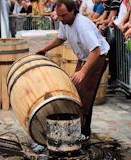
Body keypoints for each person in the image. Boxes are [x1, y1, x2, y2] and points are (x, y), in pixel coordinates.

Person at [36, 0, 110, 138]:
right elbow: (60, 38)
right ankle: (80, 128)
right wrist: (44, 50)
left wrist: (82, 71)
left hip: (97, 58)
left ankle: (83, 132)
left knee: (85, 95)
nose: (60, 18)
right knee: (76, 92)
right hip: (84, 58)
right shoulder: (65, 22)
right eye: (59, 15)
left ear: (73, 11)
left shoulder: (83, 25)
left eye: (63, 15)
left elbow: (95, 50)